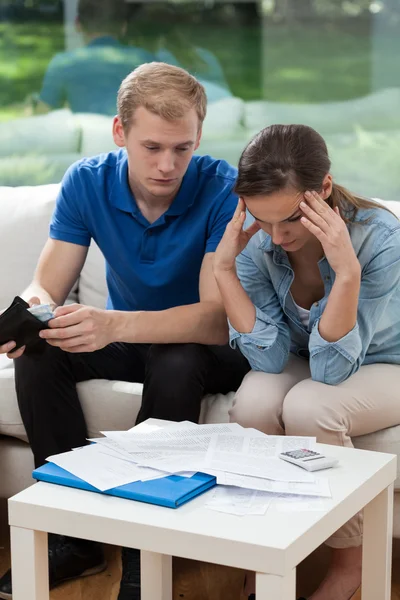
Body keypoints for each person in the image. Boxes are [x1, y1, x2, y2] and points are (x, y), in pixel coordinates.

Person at [0, 62, 250, 600]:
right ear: (120, 132)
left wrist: (111, 323)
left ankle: (146, 551)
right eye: (153, 147)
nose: (168, 164)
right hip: (132, 339)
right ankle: (75, 537)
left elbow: (213, 318)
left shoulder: (223, 189)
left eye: (182, 148)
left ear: (200, 137)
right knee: (39, 352)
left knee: (176, 357)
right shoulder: (87, 182)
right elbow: (48, 283)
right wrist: (31, 314)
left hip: (206, 348)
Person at [213, 123, 400, 600]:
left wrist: (346, 272)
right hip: (307, 357)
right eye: (263, 219)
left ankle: (350, 563)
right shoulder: (258, 241)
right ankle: (267, 552)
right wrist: (224, 270)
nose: (276, 237)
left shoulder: (381, 239)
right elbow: (269, 358)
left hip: (388, 362)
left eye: (290, 219)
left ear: (324, 190)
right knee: (253, 403)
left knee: (310, 407)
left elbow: (332, 371)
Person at [35, 0, 153, 115]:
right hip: (129, 133)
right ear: (123, 27)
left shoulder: (63, 63)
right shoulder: (147, 63)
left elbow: (42, 116)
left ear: (77, 25)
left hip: (85, 134)